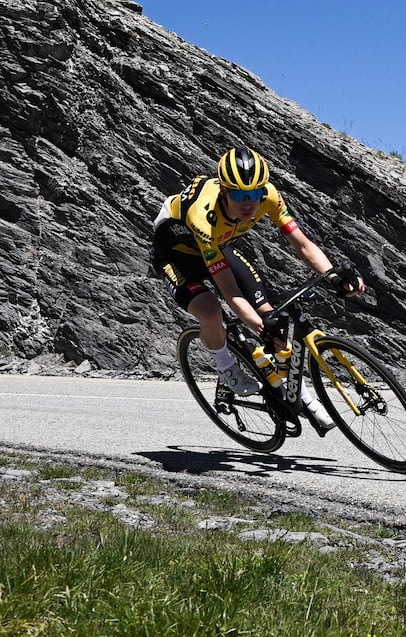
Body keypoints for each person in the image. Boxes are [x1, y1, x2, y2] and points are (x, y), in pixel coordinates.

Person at [152, 146, 364, 434]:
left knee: (271, 316)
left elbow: (301, 243)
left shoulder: (269, 196)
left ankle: (302, 397)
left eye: (254, 194)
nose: (249, 203)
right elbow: (228, 289)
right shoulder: (204, 215)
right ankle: (225, 365)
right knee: (211, 311)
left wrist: (332, 276)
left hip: (219, 248)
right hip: (176, 255)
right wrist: (258, 326)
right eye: (240, 195)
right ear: (225, 191)